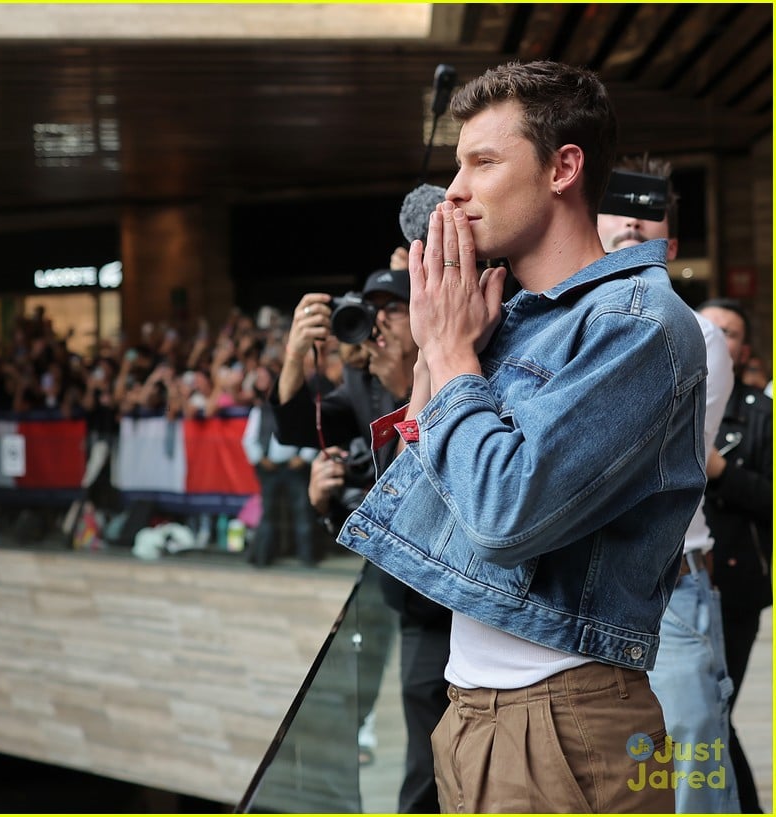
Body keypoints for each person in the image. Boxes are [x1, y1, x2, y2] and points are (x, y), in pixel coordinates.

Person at [328, 60, 707, 813]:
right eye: (455, 164)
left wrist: (450, 356)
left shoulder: (636, 324)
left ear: (565, 167)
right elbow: (414, 504)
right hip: (473, 708)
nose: (456, 190)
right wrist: (440, 358)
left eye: (483, 162)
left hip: (566, 718)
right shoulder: (508, 316)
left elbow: (504, 516)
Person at [272, 265, 451, 813]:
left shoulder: (457, 377)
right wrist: (294, 354)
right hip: (415, 604)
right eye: (371, 311)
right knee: (425, 753)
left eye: (391, 308)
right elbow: (297, 428)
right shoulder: (360, 387)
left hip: (471, 595)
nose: (377, 323)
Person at [598, 155, 739, 813]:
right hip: (587, 592)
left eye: (647, 206)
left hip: (669, 589)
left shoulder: (697, 332)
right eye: (617, 201)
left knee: (690, 782)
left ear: (670, 243)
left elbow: (634, 460)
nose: (630, 215)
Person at [697, 297, 773, 814]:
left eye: (729, 332)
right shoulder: (665, 395)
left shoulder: (759, 411)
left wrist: (720, 471)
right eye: (709, 327)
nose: (717, 338)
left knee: (713, 711)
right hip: (670, 583)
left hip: (735, 586)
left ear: (743, 350)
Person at [241, 400, 318, 566]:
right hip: (269, 467)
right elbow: (249, 439)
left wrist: (304, 457)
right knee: (268, 514)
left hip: (294, 467)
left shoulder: (301, 408)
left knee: (302, 511)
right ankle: (263, 557)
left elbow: (313, 435)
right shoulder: (261, 410)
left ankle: (307, 557)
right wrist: (261, 459)